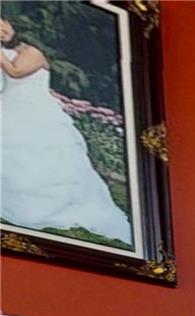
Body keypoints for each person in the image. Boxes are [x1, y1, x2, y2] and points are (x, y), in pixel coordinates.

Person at [0, 15, 133, 244]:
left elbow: (15, 71)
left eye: (2, 25)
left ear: (11, 25)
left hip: (35, 113)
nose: (1, 30)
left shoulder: (32, 52)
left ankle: (49, 206)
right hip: (8, 109)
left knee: (42, 159)